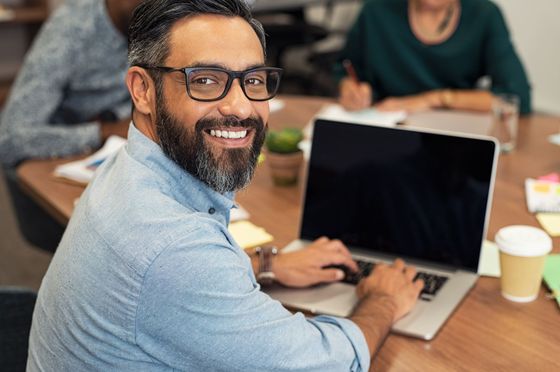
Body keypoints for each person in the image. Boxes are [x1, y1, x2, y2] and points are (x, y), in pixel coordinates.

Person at [27, 1, 423, 370]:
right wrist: (382, 300)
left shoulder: (124, 168)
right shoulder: (173, 247)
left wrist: (267, 265)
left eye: (252, 79)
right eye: (205, 80)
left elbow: (166, 285)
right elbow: (327, 362)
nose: (239, 107)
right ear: (143, 90)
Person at [0, 0, 143, 251]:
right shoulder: (71, 30)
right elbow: (10, 139)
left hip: (125, 161)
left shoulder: (162, 22)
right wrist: (104, 131)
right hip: (55, 174)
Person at [337, 0, 531, 114]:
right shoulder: (376, 9)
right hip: (385, 124)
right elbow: (345, 68)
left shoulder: (484, 15)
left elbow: (516, 98)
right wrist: (348, 87)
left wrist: (433, 99)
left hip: (453, 132)